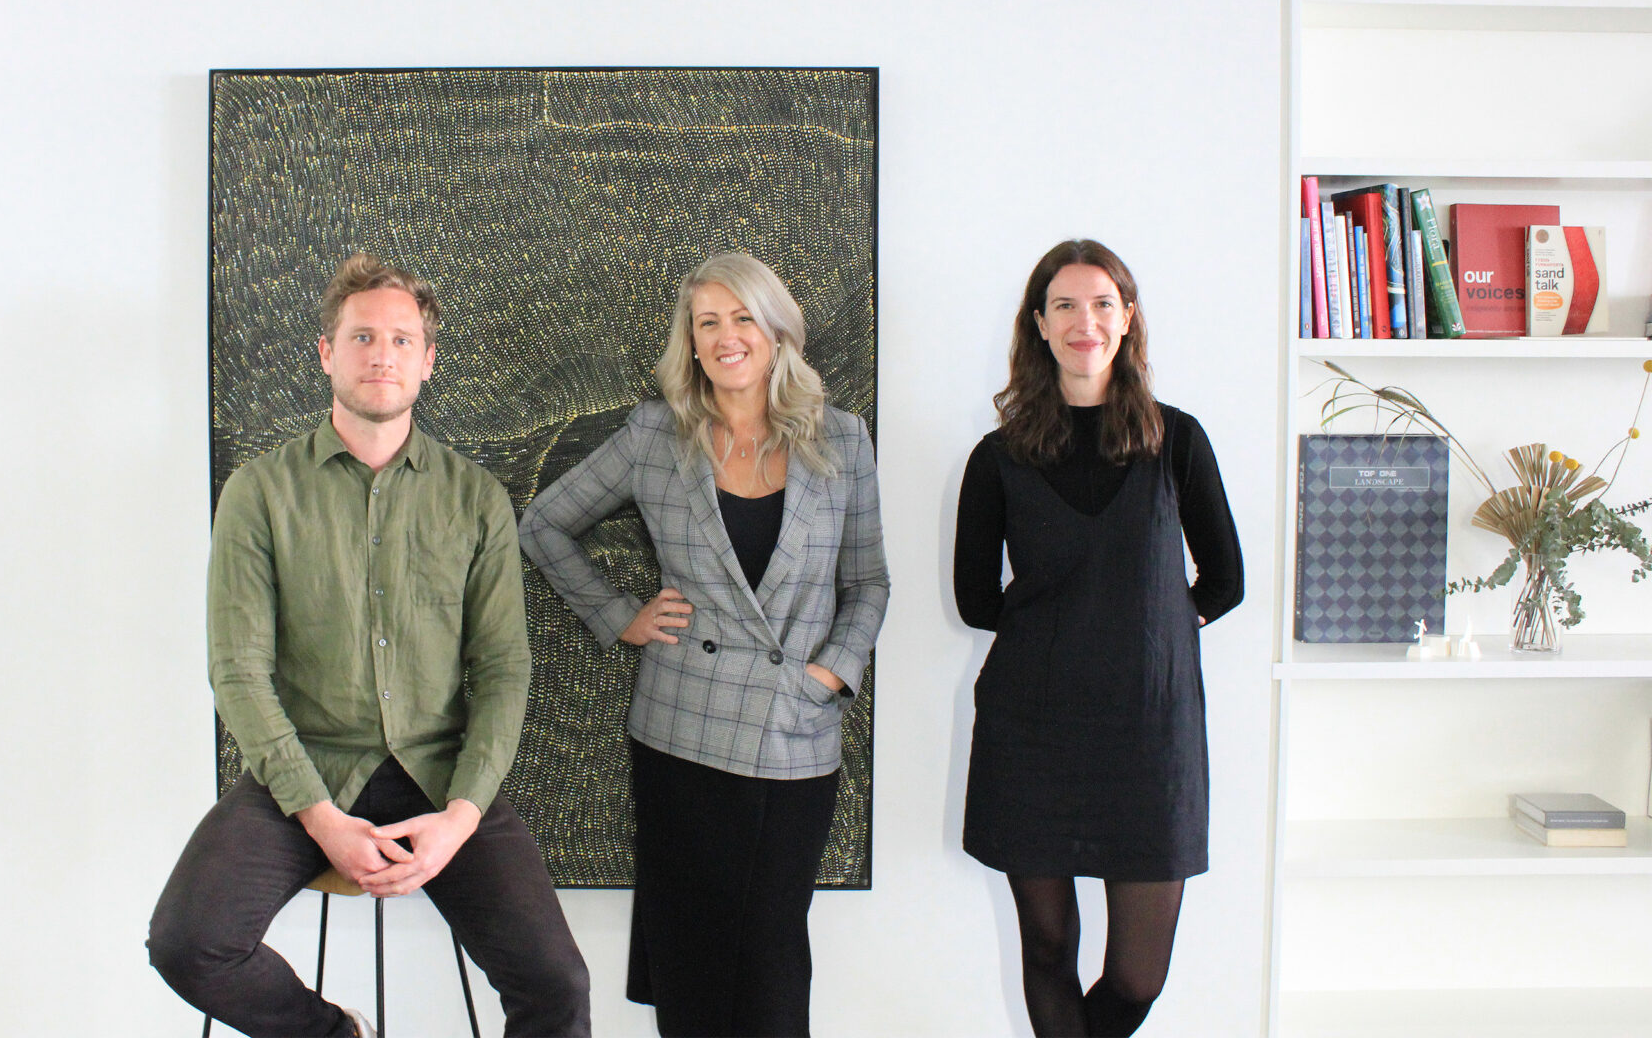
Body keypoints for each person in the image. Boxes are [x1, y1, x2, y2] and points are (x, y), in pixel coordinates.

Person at [148, 255, 591, 1038]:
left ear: (427, 360)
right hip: (306, 772)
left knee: (556, 982)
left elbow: (502, 669)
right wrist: (320, 817)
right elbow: (238, 670)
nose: (381, 354)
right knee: (188, 944)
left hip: (442, 773)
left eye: (400, 339)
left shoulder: (475, 497)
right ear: (327, 352)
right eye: (362, 337)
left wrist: (459, 816)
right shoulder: (259, 490)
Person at [519, 251, 888, 1038]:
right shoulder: (656, 434)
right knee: (689, 962)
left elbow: (869, 586)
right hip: (681, 733)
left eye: (742, 318)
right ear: (690, 342)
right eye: (707, 323)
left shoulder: (844, 441)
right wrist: (617, 614)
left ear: (776, 328)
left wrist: (832, 672)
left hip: (795, 736)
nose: (725, 338)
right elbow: (543, 523)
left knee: (772, 964)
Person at [953, 239, 1243, 1038]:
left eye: (1103, 303)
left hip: (1151, 741)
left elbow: (1225, 582)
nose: (1086, 321)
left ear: (1128, 321)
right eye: (1067, 306)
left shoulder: (1177, 440)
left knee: (1135, 976)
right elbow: (974, 599)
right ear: (1039, 326)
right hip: (1032, 733)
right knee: (1048, 947)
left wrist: (1148, 626)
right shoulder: (998, 457)